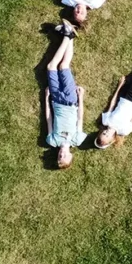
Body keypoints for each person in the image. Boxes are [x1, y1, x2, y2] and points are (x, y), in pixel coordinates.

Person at [43, 27, 88, 169]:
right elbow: (80, 118)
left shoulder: (52, 141)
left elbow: (49, 118)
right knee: (63, 66)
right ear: (71, 155)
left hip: (55, 99)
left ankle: (68, 35)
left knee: (51, 67)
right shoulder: (77, 140)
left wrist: (46, 99)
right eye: (64, 157)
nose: (61, 155)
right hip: (71, 100)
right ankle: (68, 36)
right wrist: (81, 98)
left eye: (59, 157)